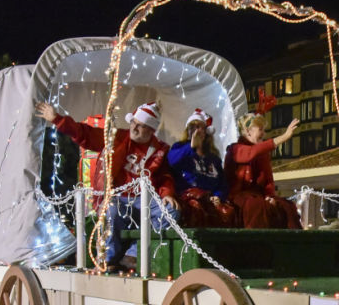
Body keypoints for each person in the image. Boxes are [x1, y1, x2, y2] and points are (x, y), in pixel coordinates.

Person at [36, 101, 179, 269]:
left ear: (151, 130)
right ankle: (108, 259)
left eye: (141, 126)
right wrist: (57, 119)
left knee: (171, 210)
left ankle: (133, 254)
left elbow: (164, 176)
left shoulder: (160, 149)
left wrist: (167, 193)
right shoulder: (116, 138)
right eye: (133, 122)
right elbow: (85, 134)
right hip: (118, 198)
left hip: (143, 200)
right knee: (110, 208)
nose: (134, 128)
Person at [224, 113, 301, 229]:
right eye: (260, 129)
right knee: (257, 207)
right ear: (248, 131)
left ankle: (294, 242)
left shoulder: (262, 154)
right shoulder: (235, 149)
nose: (264, 134)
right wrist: (283, 137)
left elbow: (268, 180)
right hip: (239, 197)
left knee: (287, 206)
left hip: (258, 196)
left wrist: (270, 196)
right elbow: (250, 153)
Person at [167, 108, 238, 227]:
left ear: (206, 132)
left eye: (200, 127)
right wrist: (191, 147)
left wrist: (218, 196)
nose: (197, 130)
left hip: (211, 198)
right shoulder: (180, 148)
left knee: (228, 212)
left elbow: (222, 183)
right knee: (197, 209)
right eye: (193, 127)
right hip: (189, 198)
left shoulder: (213, 158)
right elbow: (171, 161)